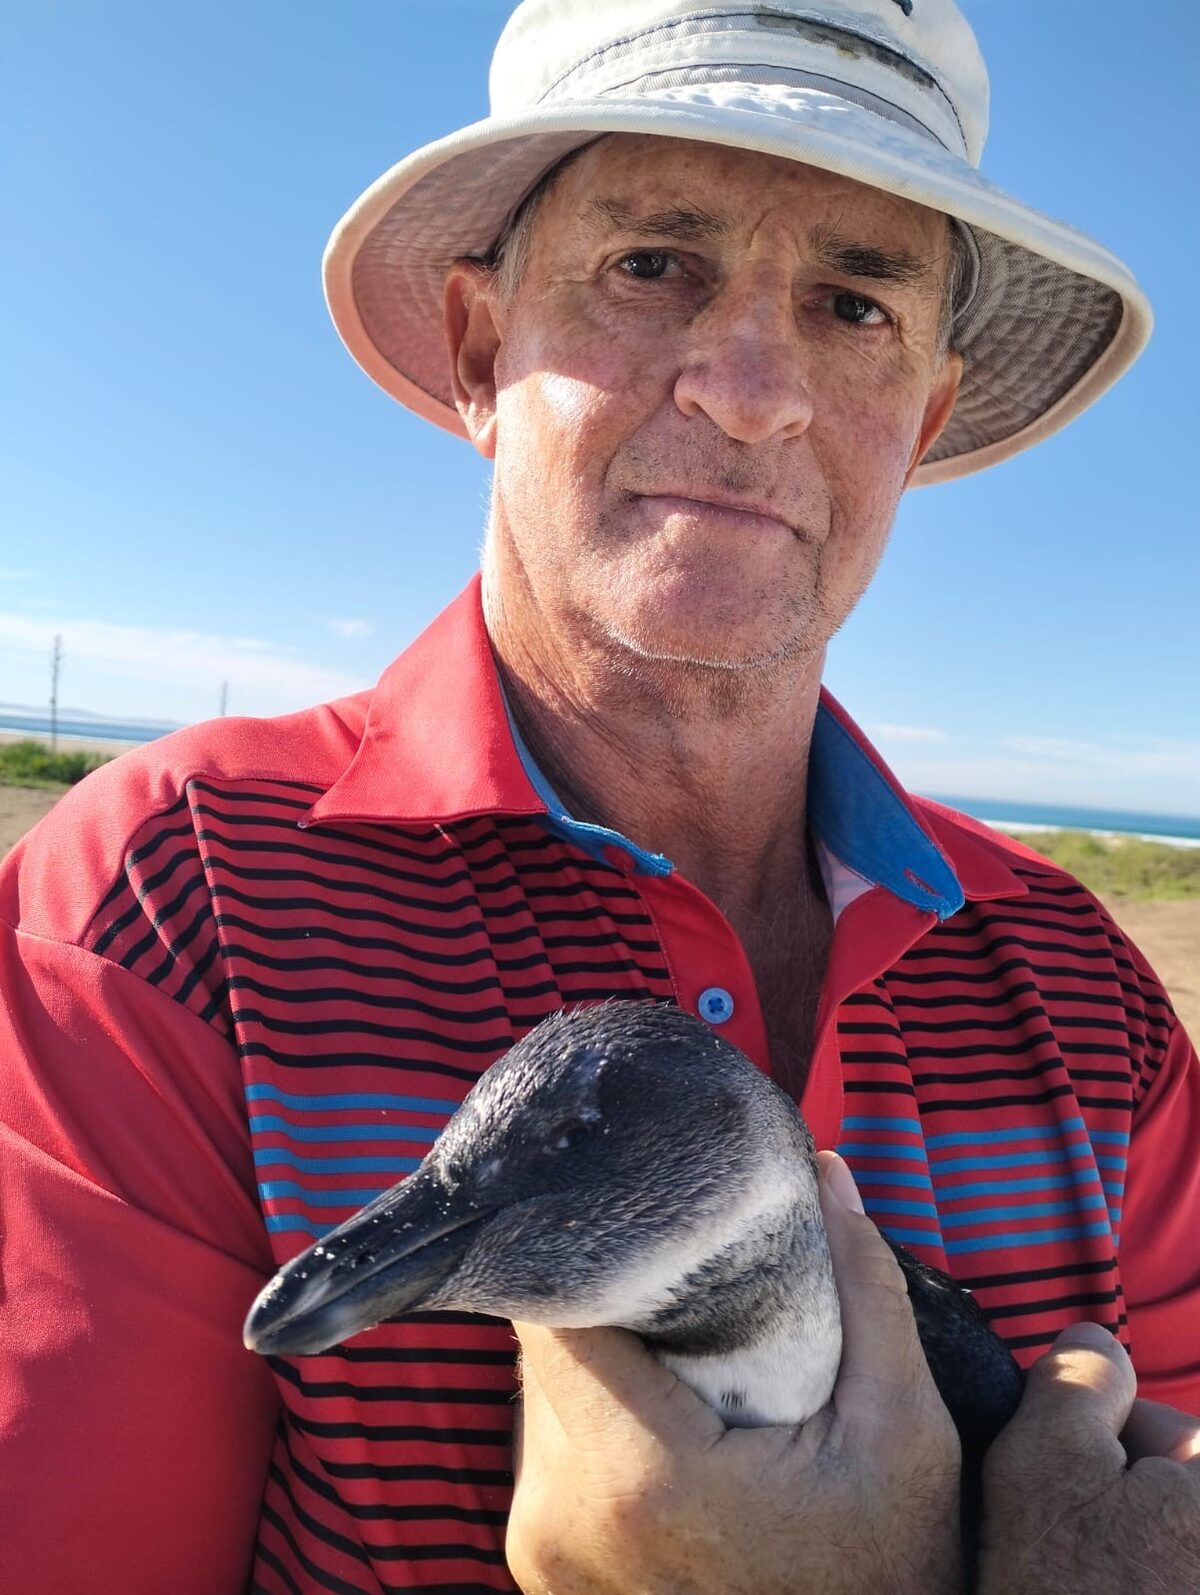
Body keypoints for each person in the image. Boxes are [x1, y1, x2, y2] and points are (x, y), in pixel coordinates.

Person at [1, 1, 1197, 1592]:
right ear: (484, 353)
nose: (755, 387)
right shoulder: (158, 902)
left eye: (854, 303)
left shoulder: (1082, 980)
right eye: (653, 266)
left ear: (919, 420)